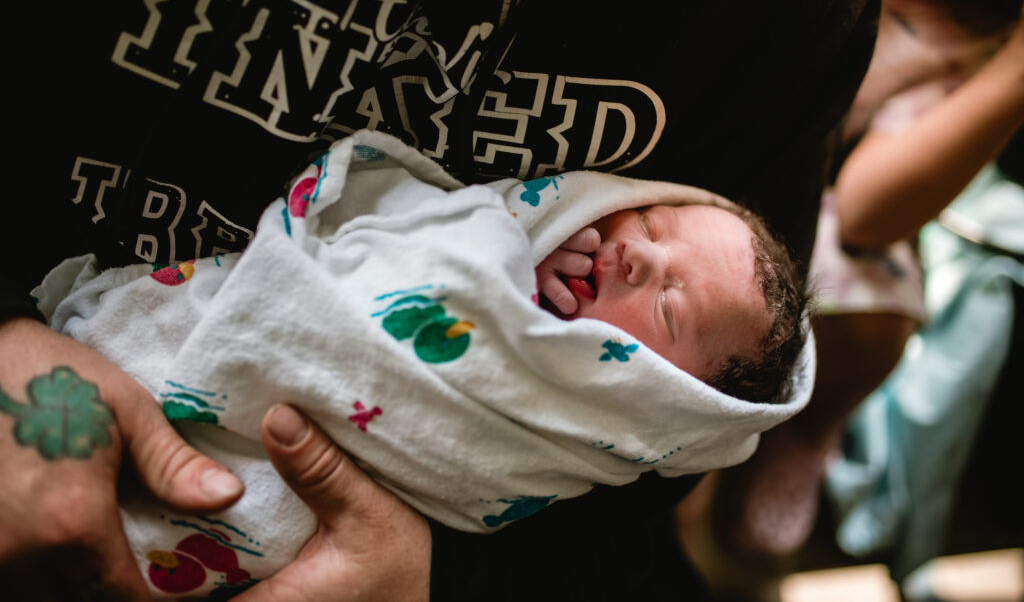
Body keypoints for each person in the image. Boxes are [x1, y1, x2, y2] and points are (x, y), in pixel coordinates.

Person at [0, 0, 888, 599]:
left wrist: (414, 570)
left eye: (664, 304)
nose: (633, 261)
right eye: (638, 233)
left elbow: (687, 416)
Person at [27, 130, 811, 597]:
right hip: (96, 378)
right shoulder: (510, 241)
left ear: (662, 398)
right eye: (648, 217)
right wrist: (506, 256)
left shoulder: (582, 436)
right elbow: (418, 245)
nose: (637, 252)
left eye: (670, 308)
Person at [708, 0, 1024, 566]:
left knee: (875, 306)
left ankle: (803, 429)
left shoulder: (971, 43)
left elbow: (867, 212)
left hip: (803, 191)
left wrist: (1016, 74)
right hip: (714, 137)